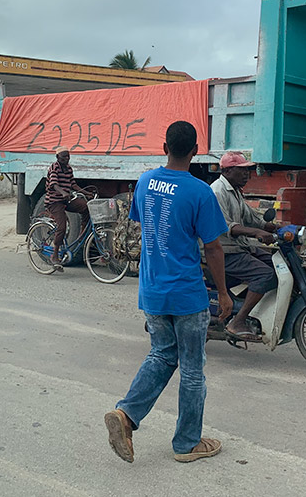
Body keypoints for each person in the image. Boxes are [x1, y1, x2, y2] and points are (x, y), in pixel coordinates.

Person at [105, 121, 232, 465]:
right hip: (186, 294)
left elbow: (144, 225)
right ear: (195, 151)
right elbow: (214, 248)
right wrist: (223, 293)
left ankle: (127, 415)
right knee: (192, 369)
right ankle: (187, 443)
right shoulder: (199, 192)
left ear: (164, 146)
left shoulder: (145, 181)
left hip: (152, 290)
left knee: (162, 354)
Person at [209, 151, 281, 341]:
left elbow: (252, 218)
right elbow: (225, 226)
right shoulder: (218, 191)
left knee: (279, 266)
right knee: (265, 274)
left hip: (239, 246)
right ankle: (237, 322)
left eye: (248, 170)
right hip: (224, 250)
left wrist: (274, 228)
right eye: (242, 170)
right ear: (228, 170)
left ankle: (244, 306)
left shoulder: (235, 191)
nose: (247, 174)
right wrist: (256, 233)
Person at [44, 149, 92, 268]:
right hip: (54, 201)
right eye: (64, 156)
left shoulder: (69, 168)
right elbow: (54, 184)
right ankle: (54, 255)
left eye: (68, 156)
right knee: (62, 227)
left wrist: (86, 193)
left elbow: (73, 184)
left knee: (85, 207)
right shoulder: (55, 167)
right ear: (57, 157)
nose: (66, 159)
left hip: (65, 200)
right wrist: (62, 192)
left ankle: (82, 234)